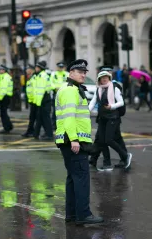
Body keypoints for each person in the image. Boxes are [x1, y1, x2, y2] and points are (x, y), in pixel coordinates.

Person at [55, 59, 103, 225]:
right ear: (71, 73)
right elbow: (69, 117)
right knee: (81, 178)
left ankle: (72, 214)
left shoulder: (71, 89)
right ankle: (84, 215)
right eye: (80, 71)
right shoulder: (70, 91)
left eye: (84, 72)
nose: (83, 74)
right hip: (73, 141)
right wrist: (74, 139)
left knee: (73, 178)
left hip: (68, 140)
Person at [89, 71, 132, 171]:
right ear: (99, 80)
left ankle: (125, 156)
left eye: (106, 77)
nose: (104, 79)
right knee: (102, 141)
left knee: (109, 140)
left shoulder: (114, 88)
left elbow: (121, 102)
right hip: (103, 118)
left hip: (113, 117)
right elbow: (92, 102)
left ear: (109, 78)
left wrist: (111, 106)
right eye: (102, 78)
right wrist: (86, 111)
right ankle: (107, 164)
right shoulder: (98, 90)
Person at [33, 61, 53, 141]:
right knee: (40, 118)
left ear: (40, 68)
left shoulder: (42, 76)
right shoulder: (40, 75)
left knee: (46, 119)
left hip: (44, 99)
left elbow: (41, 90)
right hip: (42, 100)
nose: (35, 69)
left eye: (37, 67)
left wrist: (38, 102)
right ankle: (36, 134)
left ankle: (49, 135)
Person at [50, 61, 69, 129]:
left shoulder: (67, 74)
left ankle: (63, 125)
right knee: (55, 110)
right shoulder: (53, 74)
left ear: (64, 67)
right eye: (59, 67)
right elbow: (51, 82)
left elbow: (69, 83)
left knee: (64, 110)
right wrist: (55, 88)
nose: (60, 68)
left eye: (62, 67)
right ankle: (54, 125)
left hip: (64, 94)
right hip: (56, 93)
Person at [0, 65, 14, 134]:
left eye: (1, 70)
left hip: (4, 97)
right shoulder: (3, 77)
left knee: (3, 113)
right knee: (4, 113)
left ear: (4, 70)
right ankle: (9, 126)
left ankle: (7, 128)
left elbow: (3, 89)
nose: (0, 71)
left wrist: (0, 98)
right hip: (5, 97)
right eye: (0, 69)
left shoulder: (5, 77)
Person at [22, 64, 37, 137]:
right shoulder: (30, 77)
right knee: (32, 117)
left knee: (35, 117)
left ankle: (33, 132)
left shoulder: (34, 77)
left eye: (27, 69)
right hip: (32, 100)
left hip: (35, 101)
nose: (26, 70)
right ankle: (31, 131)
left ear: (31, 70)